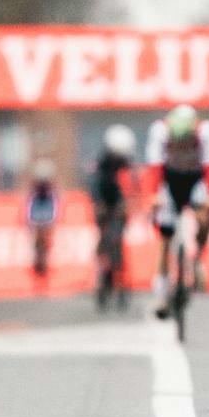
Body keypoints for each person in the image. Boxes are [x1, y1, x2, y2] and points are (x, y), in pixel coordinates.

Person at [144, 103, 209, 317]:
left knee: (205, 217)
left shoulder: (206, 132)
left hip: (195, 180)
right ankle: (161, 295)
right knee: (165, 238)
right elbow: (155, 168)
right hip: (170, 181)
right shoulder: (160, 131)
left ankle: (197, 260)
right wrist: (154, 195)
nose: (181, 146)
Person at [91, 124, 136, 307]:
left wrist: (128, 204)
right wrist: (98, 204)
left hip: (118, 209)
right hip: (104, 208)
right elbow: (94, 186)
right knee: (103, 242)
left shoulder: (127, 165)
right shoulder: (101, 164)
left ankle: (121, 281)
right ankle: (103, 274)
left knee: (116, 242)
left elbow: (132, 186)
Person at [23, 159, 59, 279]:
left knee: (45, 240)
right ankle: (38, 262)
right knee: (37, 241)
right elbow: (28, 209)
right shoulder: (33, 194)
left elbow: (55, 208)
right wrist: (29, 222)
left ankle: (44, 262)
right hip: (37, 218)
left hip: (47, 218)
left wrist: (52, 221)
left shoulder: (52, 194)